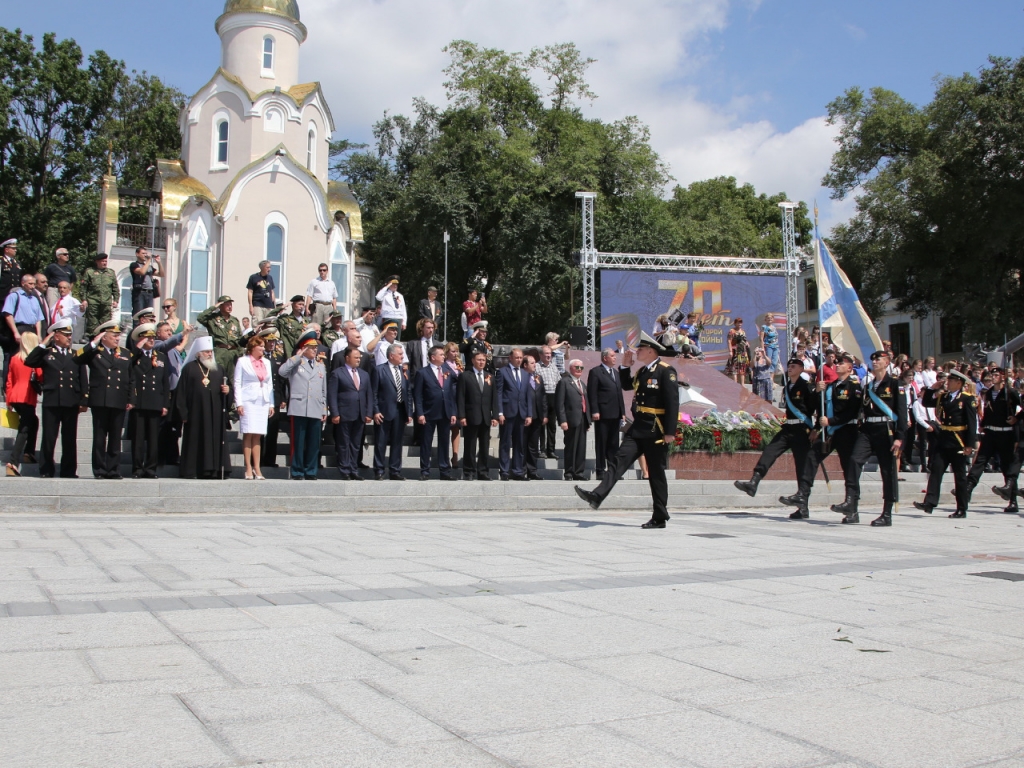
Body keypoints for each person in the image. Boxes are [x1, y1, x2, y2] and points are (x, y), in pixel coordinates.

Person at [575, 332, 680, 528]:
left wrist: (670, 432)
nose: (637, 351)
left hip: (656, 429)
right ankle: (597, 496)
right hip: (639, 426)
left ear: (651, 351)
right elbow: (625, 385)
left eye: (640, 349)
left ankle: (660, 516)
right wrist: (625, 366)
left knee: (656, 473)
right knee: (618, 461)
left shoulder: (666, 371)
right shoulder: (642, 372)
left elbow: (673, 403)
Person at [734, 358, 819, 519]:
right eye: (789, 366)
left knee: (801, 466)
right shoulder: (788, 387)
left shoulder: (807, 387)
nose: (790, 368)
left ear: (801, 369)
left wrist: (817, 428)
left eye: (794, 366)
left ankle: (803, 506)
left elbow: (816, 408)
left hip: (802, 429)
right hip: (788, 427)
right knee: (770, 451)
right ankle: (754, 482)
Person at [836, 350, 906, 526]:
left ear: (887, 362)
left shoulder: (896, 384)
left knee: (887, 471)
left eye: (879, 359)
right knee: (853, 460)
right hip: (868, 429)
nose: (875, 362)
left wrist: (900, 437)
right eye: (873, 359)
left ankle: (887, 513)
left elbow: (902, 414)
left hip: (886, 429)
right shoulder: (868, 386)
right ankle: (851, 503)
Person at [24, 318, 87, 478]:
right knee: (49, 438)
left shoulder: (75, 355)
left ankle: (68, 470)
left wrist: (83, 400)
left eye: (70, 335)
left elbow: (82, 378)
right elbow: (29, 361)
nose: (69, 338)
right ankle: (46, 469)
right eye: (65, 335)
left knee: (69, 438)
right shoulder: (47, 353)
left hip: (70, 401)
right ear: (56, 336)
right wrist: (44, 343)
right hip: (52, 401)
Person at [915, 370, 978, 518]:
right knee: (936, 471)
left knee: (960, 476)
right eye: (947, 380)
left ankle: (962, 508)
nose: (947, 383)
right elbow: (926, 402)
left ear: (959, 383)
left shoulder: (967, 399)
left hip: (958, 440)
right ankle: (929, 503)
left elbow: (972, 422)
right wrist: (932, 389)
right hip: (943, 439)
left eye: (951, 380)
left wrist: (969, 444)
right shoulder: (943, 397)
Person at [75, 320, 131, 479]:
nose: (117, 339)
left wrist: (130, 398)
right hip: (101, 400)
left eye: (118, 336)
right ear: (104, 337)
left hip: (119, 400)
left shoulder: (125, 353)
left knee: (115, 439)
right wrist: (93, 342)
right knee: (100, 438)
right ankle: (99, 469)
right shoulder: (95, 352)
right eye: (114, 336)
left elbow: (130, 377)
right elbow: (77, 358)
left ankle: (113, 469)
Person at [175, 337, 232, 479]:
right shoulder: (189, 368)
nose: (209, 354)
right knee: (196, 441)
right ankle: (193, 470)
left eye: (211, 352)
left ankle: (215, 470)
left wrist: (227, 391)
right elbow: (181, 393)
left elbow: (228, 390)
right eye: (206, 352)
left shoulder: (219, 369)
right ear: (198, 353)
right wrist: (183, 414)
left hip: (215, 415)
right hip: (196, 414)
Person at [970, 369, 1022, 513]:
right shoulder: (988, 393)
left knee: (1007, 467)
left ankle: (1012, 500)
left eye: (996, 375)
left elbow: (1022, 407)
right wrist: (983, 424)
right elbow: (987, 410)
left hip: (1006, 434)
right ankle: (967, 489)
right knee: (980, 461)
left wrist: (1017, 418)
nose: (993, 378)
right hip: (990, 432)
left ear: (1003, 377)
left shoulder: (1010, 392)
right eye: (991, 375)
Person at [279, 331, 328, 480]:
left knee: (314, 443)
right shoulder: (296, 363)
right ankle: (297, 471)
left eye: (315, 347)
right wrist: (297, 356)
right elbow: (282, 372)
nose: (315, 350)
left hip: (315, 407)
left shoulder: (320, 366)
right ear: (303, 348)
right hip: (299, 407)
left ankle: (311, 470)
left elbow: (323, 388)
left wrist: (324, 408)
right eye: (311, 347)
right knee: (298, 442)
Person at [128, 323, 170, 479]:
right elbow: (127, 365)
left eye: (153, 337)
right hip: (139, 402)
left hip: (155, 402)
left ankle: (151, 468)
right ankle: (137, 468)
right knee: (138, 439)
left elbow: (165, 382)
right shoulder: (135, 356)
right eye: (148, 337)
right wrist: (137, 349)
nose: (152, 340)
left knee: (153, 439)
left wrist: (165, 403)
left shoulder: (161, 357)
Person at [413, 344, 458, 480]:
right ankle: (425, 471)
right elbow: (418, 395)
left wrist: (454, 412)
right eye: (441, 355)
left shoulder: (447, 370)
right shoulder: (422, 372)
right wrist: (420, 413)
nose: (444, 356)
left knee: (444, 442)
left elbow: (451, 393)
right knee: (426, 442)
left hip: (445, 412)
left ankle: (445, 471)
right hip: (428, 412)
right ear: (433, 357)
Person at [234, 334, 275, 480]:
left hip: (262, 400)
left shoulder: (267, 362)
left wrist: (271, 403)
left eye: (264, 346)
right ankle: (248, 467)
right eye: (261, 346)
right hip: (248, 400)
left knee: (258, 434)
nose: (263, 349)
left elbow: (269, 384)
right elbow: (237, 382)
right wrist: (239, 402)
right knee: (248, 433)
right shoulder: (243, 361)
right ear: (253, 348)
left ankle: (257, 467)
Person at [328, 346, 372, 480]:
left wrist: (369, 412)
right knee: (343, 443)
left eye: (359, 357)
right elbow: (332, 395)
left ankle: (353, 469)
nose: (358, 360)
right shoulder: (337, 373)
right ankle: (345, 469)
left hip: (360, 414)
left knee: (356, 443)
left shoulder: (364, 374)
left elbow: (369, 395)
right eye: (356, 357)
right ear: (347, 358)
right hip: (344, 413)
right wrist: (335, 413)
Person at [372, 343, 412, 480]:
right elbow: (374, 392)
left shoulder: (403, 371)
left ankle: (395, 470)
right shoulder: (379, 370)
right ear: (391, 355)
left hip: (400, 411)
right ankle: (379, 470)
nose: (402, 357)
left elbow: (408, 392)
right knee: (381, 441)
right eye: (400, 354)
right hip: (384, 411)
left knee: (397, 442)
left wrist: (409, 412)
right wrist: (375, 410)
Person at [4, 332, 41, 476]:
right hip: (26, 396)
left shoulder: (14, 358)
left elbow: (9, 380)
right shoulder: (33, 360)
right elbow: (40, 375)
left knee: (33, 421)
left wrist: (8, 401)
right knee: (24, 429)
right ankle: (13, 462)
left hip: (15, 395)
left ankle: (29, 452)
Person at [458, 349, 498, 480]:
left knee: (484, 446)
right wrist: (462, 416)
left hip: (486, 416)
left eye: (483, 360)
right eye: (479, 360)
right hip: (471, 416)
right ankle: (469, 471)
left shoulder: (490, 376)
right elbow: (461, 398)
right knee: (470, 445)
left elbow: (494, 398)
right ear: (473, 361)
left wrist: (495, 415)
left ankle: (483, 472)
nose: (481, 362)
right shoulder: (465, 376)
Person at [496, 347, 533, 481]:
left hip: (521, 413)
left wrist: (529, 414)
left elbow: (528, 395)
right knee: (505, 443)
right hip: (507, 412)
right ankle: (504, 471)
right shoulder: (502, 372)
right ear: (510, 358)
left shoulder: (525, 373)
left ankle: (518, 471)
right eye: (516, 357)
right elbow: (499, 393)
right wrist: (499, 412)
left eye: (520, 358)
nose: (518, 360)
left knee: (519, 443)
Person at [588, 348, 625, 481]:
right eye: (612, 356)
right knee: (601, 443)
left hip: (615, 414)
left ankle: (612, 470)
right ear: (605, 358)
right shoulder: (596, 372)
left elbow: (619, 393)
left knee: (614, 443)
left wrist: (623, 412)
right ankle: (600, 470)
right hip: (602, 414)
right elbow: (592, 393)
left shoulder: (615, 372)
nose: (615, 358)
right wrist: (595, 410)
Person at [557, 358, 591, 481]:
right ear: (571, 368)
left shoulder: (582, 384)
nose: (579, 370)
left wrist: (588, 420)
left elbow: (586, 402)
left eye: (581, 367)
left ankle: (579, 472)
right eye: (577, 367)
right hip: (571, 419)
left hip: (582, 419)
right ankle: (569, 472)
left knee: (581, 447)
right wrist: (562, 420)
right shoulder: (564, 382)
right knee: (571, 446)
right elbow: (559, 403)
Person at [196, 296, 244, 378]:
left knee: (234, 379)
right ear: (220, 306)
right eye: (227, 304)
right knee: (218, 377)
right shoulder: (212, 319)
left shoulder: (234, 320)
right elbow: (200, 318)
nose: (230, 306)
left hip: (233, 353)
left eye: (231, 304)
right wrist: (214, 307)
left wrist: (240, 354)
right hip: (220, 352)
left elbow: (239, 338)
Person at [80, 253, 119, 338]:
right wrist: (84, 300)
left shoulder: (110, 273)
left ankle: (103, 339)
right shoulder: (90, 272)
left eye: (105, 261)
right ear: (97, 262)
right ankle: (92, 339)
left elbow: (115, 288)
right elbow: (83, 287)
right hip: (93, 301)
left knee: (105, 323)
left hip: (106, 302)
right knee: (92, 323)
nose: (104, 263)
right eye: (102, 261)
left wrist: (116, 300)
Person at [522, 350, 546, 480]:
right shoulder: (521, 377)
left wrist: (545, 413)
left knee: (533, 445)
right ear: (525, 365)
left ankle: (532, 470)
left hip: (537, 416)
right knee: (523, 444)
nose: (534, 365)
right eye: (532, 363)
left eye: (535, 363)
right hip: (524, 416)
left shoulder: (538, 378)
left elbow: (543, 397)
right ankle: (521, 469)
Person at [443, 341, 464, 466]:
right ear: (447, 352)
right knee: (446, 428)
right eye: (452, 351)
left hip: (458, 399)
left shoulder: (459, 365)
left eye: (456, 351)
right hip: (448, 398)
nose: (455, 353)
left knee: (456, 428)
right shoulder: (444, 365)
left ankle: (455, 456)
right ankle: (445, 456)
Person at [129, 247, 161, 315]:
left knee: (148, 314)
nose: (145, 255)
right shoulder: (134, 265)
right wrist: (149, 259)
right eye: (143, 253)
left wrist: (159, 263)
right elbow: (142, 272)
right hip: (140, 292)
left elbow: (161, 274)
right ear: (137, 254)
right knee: (139, 314)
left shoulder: (149, 267)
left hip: (150, 293)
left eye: (146, 253)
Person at [306, 263, 338, 327]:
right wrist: (307, 308)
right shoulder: (314, 282)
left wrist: (334, 309)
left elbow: (334, 297)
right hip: (318, 306)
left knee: (328, 325)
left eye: (324, 270)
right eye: (320, 270)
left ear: (327, 271)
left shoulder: (331, 283)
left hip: (328, 306)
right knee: (316, 325)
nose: (322, 272)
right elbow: (309, 295)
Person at [0, 238, 23, 312]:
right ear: (6, 249)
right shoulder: (1, 262)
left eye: (15, 248)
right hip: (3, 295)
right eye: (13, 248)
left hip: (15, 294)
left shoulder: (17, 263)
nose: (15, 250)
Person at [725, 318, 750, 384]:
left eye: (741, 322)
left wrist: (747, 343)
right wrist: (730, 351)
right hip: (735, 351)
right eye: (738, 322)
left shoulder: (743, 331)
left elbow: (744, 340)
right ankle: (735, 385)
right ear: (735, 323)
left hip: (742, 352)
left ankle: (742, 385)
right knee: (734, 368)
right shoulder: (732, 331)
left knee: (742, 368)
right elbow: (729, 341)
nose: (740, 324)